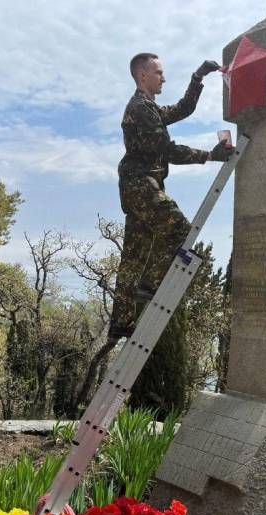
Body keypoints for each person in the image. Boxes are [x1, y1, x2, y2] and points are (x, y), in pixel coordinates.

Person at [108, 52, 233, 340]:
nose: (163, 77)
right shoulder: (140, 109)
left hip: (138, 186)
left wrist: (197, 78)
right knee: (179, 228)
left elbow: (183, 109)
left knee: (133, 255)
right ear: (142, 75)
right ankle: (150, 284)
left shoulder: (149, 108)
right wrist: (210, 155)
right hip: (140, 184)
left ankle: (121, 323)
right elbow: (167, 150)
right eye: (158, 73)